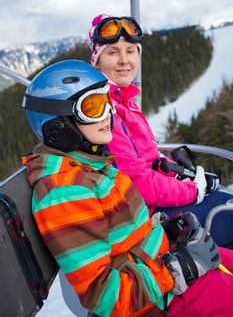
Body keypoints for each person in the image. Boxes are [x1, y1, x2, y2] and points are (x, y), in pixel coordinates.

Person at [22, 59, 233, 316]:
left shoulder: (93, 167)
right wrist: (181, 268)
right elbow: (104, 297)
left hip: (163, 271)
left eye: (107, 102)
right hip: (161, 301)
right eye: (93, 107)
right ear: (58, 125)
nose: (109, 113)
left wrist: (164, 230)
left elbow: (122, 234)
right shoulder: (67, 192)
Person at [87, 14, 233, 249]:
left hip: (159, 204)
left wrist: (183, 176)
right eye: (113, 52)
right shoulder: (101, 111)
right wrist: (192, 191)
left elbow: (151, 159)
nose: (124, 60)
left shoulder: (126, 102)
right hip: (147, 219)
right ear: (97, 60)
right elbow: (137, 183)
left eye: (131, 51)